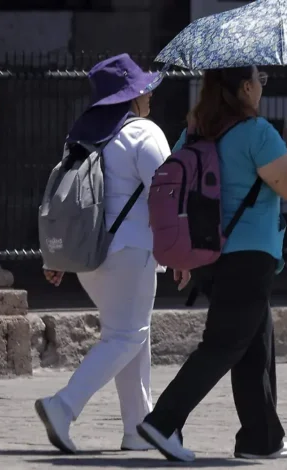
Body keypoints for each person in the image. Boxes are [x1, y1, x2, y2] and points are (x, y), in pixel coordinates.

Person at [137, 65, 287, 462]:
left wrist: (181, 254)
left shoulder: (195, 133)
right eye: (259, 80)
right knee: (224, 345)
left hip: (209, 257)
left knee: (254, 348)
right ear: (246, 87)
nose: (261, 87)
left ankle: (260, 439)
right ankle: (162, 421)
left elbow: (175, 193)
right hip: (249, 257)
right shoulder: (258, 134)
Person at [35, 53, 177, 454]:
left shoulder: (82, 135)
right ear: (131, 97)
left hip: (90, 258)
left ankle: (137, 429)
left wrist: (55, 256)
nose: (149, 94)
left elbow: (64, 197)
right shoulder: (143, 133)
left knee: (130, 336)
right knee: (127, 335)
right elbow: (166, 195)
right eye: (143, 88)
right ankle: (63, 405)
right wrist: (179, 253)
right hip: (131, 252)